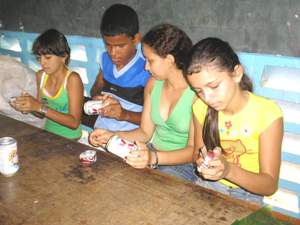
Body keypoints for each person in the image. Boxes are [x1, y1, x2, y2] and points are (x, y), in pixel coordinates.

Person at [89, 24, 198, 182]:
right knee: (112, 176)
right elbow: (145, 133)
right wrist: (110, 136)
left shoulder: (196, 93)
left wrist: (152, 158)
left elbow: (193, 151)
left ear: (169, 60)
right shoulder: (153, 84)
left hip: (183, 164)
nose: (146, 67)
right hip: (151, 152)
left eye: (150, 60)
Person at [185, 37, 283, 204]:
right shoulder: (200, 107)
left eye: (214, 86)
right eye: (199, 90)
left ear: (237, 73)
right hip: (209, 186)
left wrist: (228, 171)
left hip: (247, 195)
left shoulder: (266, 113)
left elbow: (269, 185)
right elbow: (197, 153)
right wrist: (203, 162)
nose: (207, 98)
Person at [12, 29, 83, 139]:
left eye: (48, 57)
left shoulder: (72, 79)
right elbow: (41, 114)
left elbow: (74, 123)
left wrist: (39, 106)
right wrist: (30, 107)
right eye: (39, 58)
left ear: (64, 56)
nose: (42, 63)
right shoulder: (41, 76)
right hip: (49, 135)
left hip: (71, 139)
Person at [90, 3, 150, 131]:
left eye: (120, 46)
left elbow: (152, 120)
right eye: (108, 45)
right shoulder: (104, 59)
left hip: (128, 140)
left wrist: (123, 114)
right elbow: (95, 90)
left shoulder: (147, 68)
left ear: (136, 39)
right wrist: (97, 97)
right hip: (100, 132)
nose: (112, 53)